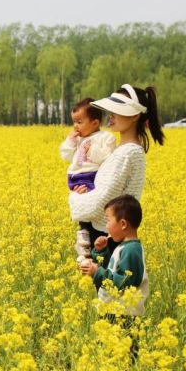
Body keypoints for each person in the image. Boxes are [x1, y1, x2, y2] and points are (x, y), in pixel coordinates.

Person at [69, 84, 164, 260]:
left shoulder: (128, 153)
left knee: (110, 287)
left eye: (117, 110)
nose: (110, 115)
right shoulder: (121, 150)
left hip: (110, 240)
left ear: (135, 115)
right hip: (105, 236)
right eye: (110, 110)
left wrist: (74, 198)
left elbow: (102, 201)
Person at [80, 194, 148, 360]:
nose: (106, 226)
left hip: (124, 316)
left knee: (123, 359)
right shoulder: (125, 247)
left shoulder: (132, 250)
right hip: (114, 312)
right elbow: (115, 270)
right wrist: (101, 253)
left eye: (108, 221)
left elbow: (124, 282)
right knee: (110, 357)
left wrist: (97, 273)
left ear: (123, 224)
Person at [59, 98, 116, 265]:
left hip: (93, 175)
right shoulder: (78, 139)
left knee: (94, 205)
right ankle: (83, 231)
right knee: (81, 202)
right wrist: (70, 142)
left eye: (79, 122)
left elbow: (107, 158)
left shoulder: (105, 137)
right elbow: (66, 156)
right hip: (75, 177)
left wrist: (91, 148)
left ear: (95, 122)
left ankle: (91, 238)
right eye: (74, 122)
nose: (75, 126)